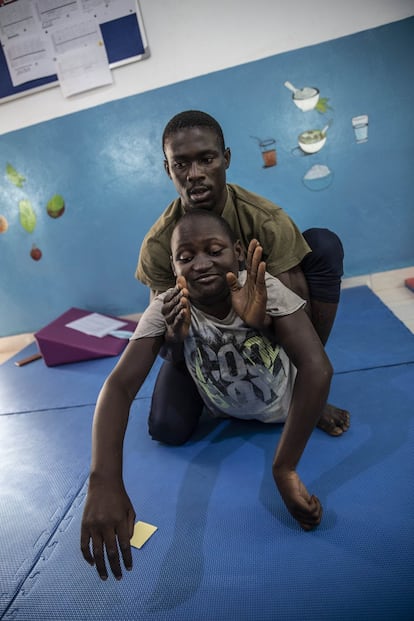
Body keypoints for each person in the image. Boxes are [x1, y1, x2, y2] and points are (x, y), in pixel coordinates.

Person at [81, 209, 333, 580]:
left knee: (307, 385)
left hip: (282, 406)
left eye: (214, 251)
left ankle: (317, 409)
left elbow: (318, 368)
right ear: (173, 265)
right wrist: (103, 479)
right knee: (165, 426)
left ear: (237, 252)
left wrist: (284, 467)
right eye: (186, 257)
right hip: (222, 407)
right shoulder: (167, 305)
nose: (201, 264)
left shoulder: (262, 288)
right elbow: (119, 386)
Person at [136, 110, 350, 442]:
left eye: (206, 159)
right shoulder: (159, 244)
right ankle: (220, 392)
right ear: (168, 169)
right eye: (181, 165)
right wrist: (176, 337)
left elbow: (300, 316)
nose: (194, 174)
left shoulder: (265, 221)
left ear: (226, 158)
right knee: (166, 428)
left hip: (264, 327)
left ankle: (304, 391)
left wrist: (259, 318)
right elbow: (165, 346)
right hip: (202, 341)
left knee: (323, 244)